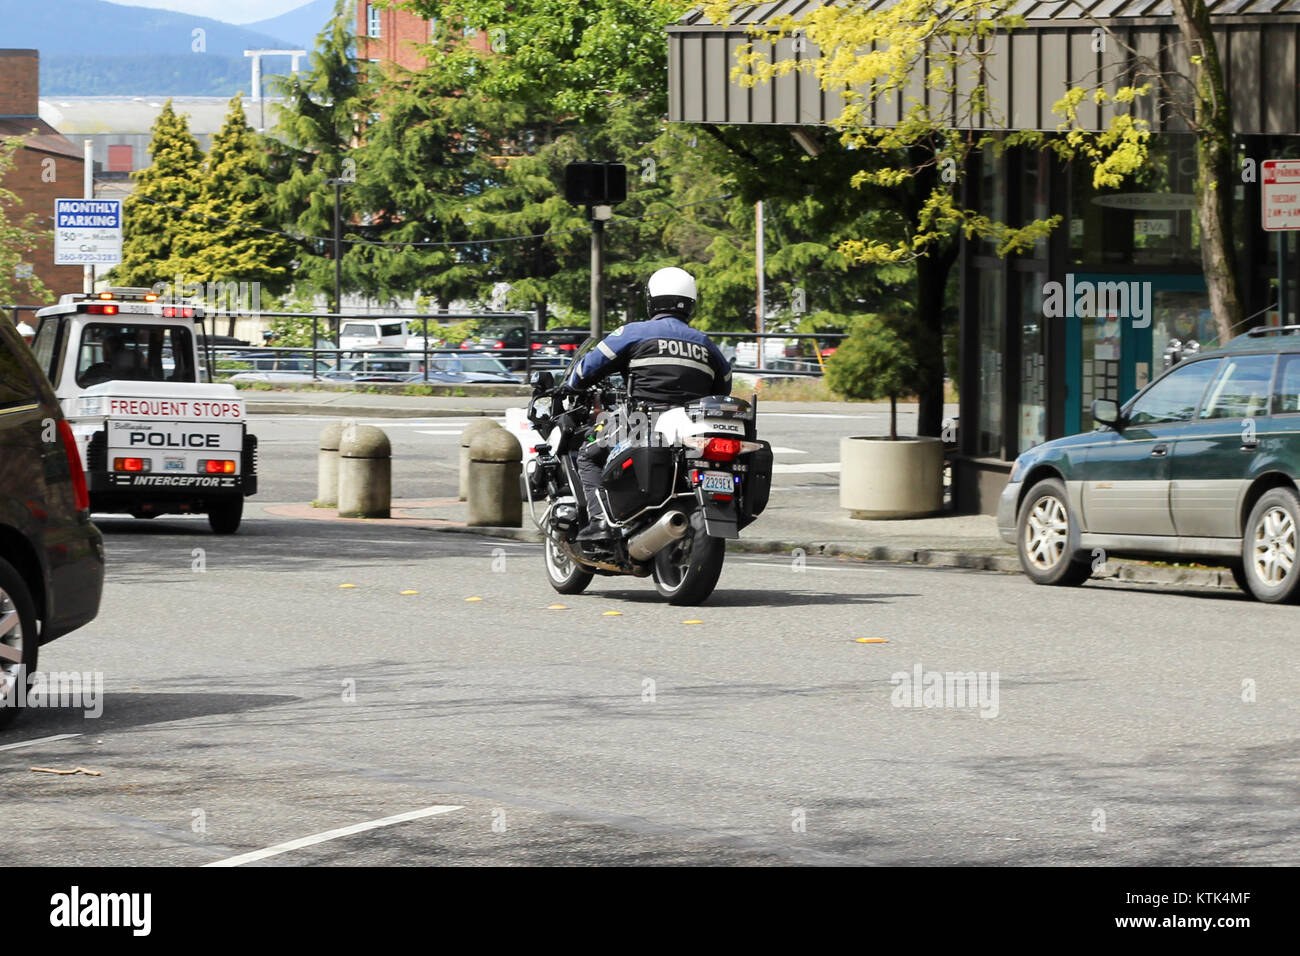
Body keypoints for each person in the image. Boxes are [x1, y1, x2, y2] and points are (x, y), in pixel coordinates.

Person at [565, 266, 732, 542]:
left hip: (642, 422)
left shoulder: (633, 332)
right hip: (691, 428)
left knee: (588, 454)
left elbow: (586, 369)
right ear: (690, 303)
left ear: (651, 299)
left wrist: (573, 385)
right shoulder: (705, 343)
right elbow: (724, 386)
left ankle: (599, 523)